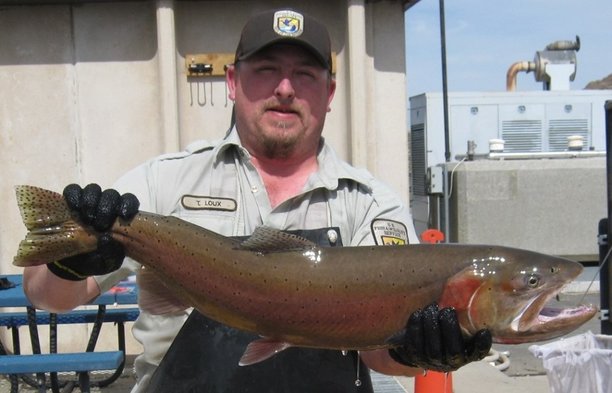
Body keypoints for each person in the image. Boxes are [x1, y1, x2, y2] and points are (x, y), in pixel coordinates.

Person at [23, 8, 491, 393]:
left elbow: (379, 355)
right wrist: (69, 263)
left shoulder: (370, 204)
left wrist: (421, 351)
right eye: (266, 71)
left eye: (304, 75)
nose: (284, 89)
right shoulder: (161, 182)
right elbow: (50, 296)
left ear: (329, 93)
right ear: (232, 82)